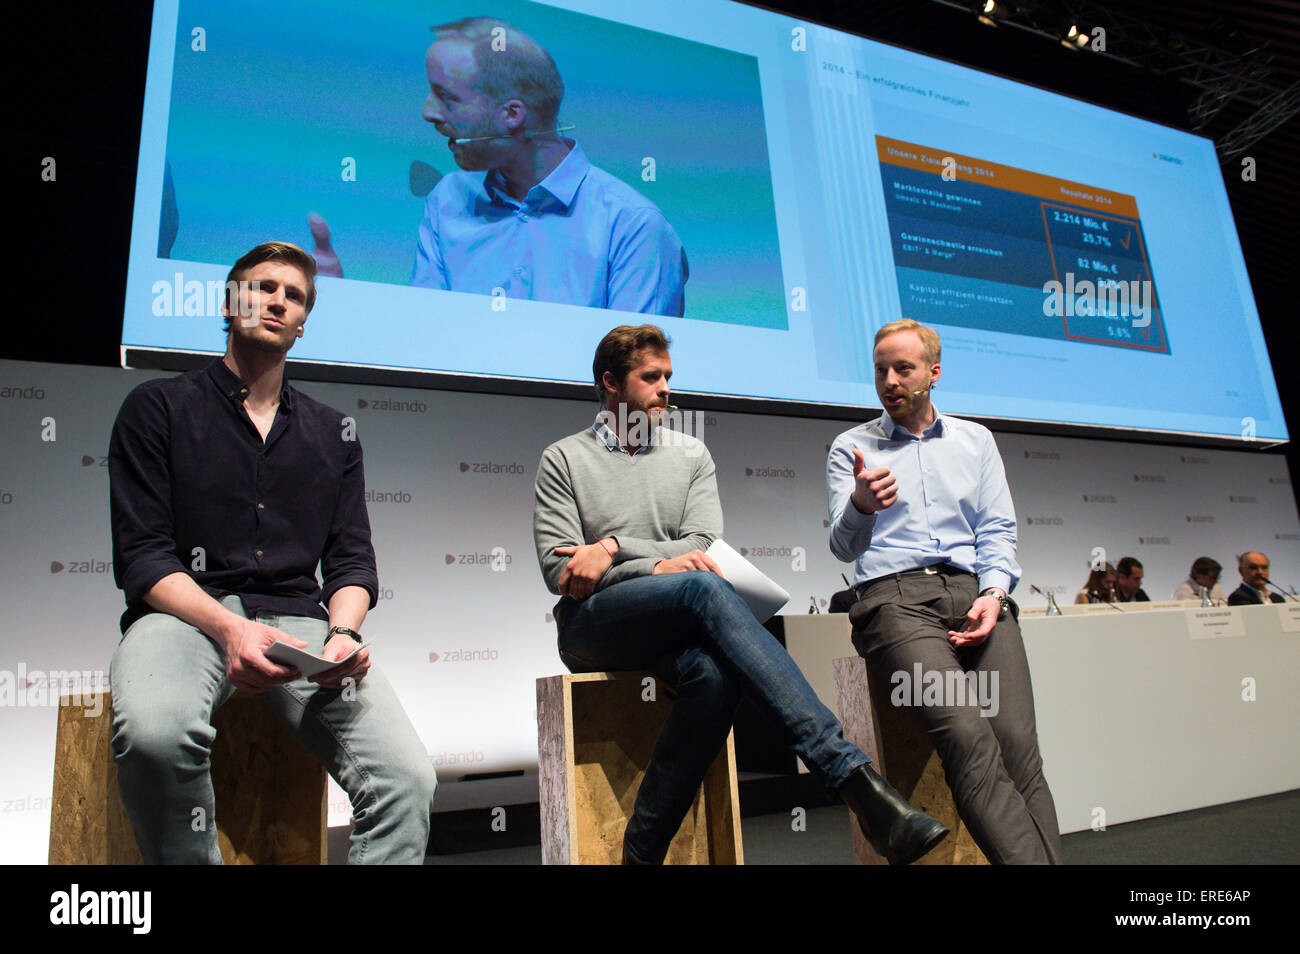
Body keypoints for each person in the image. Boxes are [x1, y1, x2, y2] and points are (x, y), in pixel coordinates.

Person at [532, 324, 947, 865]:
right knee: (703, 590)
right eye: (650, 378)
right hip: (592, 626)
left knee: (714, 676)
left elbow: (701, 543)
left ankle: (640, 853)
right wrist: (658, 562)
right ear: (611, 382)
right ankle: (853, 780)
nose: (665, 389)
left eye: (668, 377)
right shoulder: (563, 459)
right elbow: (562, 573)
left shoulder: (690, 454)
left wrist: (613, 548)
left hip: (670, 615)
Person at [107, 241, 437, 864]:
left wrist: (344, 632)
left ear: (304, 321)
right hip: (187, 617)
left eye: (294, 296)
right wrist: (229, 629)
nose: (278, 301)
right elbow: (144, 557)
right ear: (229, 303)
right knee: (154, 736)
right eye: (262, 288)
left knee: (407, 780)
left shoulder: (332, 430)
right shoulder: (158, 407)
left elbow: (351, 559)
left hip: (301, 626)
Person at [827, 318, 1062, 865]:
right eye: (880, 369)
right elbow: (843, 546)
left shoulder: (974, 440)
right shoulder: (851, 447)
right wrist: (861, 503)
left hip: (975, 594)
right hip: (895, 601)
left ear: (933, 373)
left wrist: (995, 593)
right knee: (968, 740)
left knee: (1021, 753)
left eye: (903, 367)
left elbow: (997, 531)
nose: (889, 379)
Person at [312, 17, 687, 316]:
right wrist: (341, 303)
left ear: (511, 114)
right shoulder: (447, 199)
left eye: (447, 98)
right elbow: (423, 338)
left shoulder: (635, 226)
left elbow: (632, 388)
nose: (428, 113)